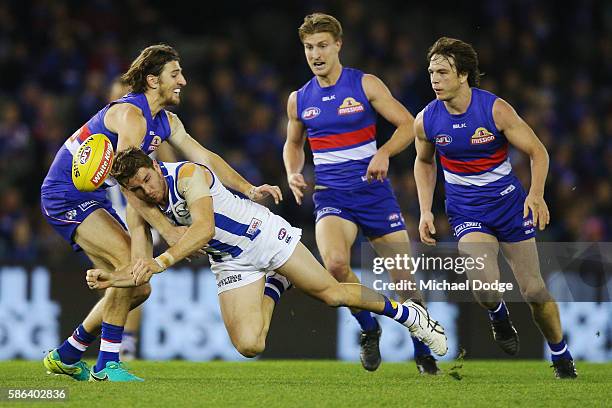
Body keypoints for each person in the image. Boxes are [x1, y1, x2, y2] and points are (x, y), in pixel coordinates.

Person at [41, 44, 281, 381]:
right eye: (175, 74)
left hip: (98, 197)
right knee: (131, 267)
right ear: (153, 80)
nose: (183, 80)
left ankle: (67, 353)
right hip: (66, 196)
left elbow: (205, 157)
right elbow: (128, 183)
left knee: (139, 285)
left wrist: (249, 189)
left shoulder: (166, 121)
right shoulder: (131, 117)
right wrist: (169, 232)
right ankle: (107, 365)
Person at [85, 148, 448, 362]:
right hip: (229, 261)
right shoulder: (141, 205)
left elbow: (203, 230)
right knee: (249, 345)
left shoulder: (187, 176)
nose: (147, 190)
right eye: (137, 188)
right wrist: (113, 278)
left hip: (263, 236)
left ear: (153, 165)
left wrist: (162, 261)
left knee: (333, 294)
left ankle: (411, 316)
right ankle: (276, 284)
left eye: (147, 179)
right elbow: (140, 261)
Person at [283, 13, 439, 374]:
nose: (315, 54)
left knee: (405, 280)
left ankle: (423, 353)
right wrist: (293, 171)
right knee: (335, 266)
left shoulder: (364, 84)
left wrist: (383, 152)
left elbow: (407, 125)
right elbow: (293, 144)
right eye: (309, 47)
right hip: (332, 196)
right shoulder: (299, 99)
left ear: (338, 45)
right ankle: (369, 328)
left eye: (322, 45)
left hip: (374, 194)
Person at [413, 37, 577, 379]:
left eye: (442, 72)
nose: (434, 79)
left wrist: (535, 194)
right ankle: (499, 317)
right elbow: (424, 162)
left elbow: (538, 152)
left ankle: (561, 354)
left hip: (509, 208)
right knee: (484, 284)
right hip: (466, 212)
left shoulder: (494, 110)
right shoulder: (426, 120)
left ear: (464, 75)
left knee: (533, 290)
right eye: (431, 72)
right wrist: (426, 210)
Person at [105, 76, 179, 361]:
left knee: (134, 277)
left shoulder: (149, 128)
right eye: (116, 96)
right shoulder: (104, 134)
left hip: (139, 212)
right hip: (108, 211)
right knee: (122, 279)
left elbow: (170, 164)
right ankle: (115, 341)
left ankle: (125, 345)